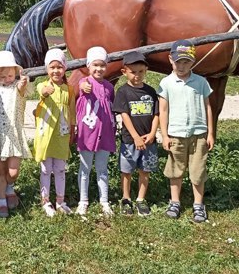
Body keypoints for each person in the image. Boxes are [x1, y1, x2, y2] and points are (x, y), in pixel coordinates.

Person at [158, 40, 215, 223]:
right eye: (178, 62)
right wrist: (165, 135)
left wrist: (211, 133)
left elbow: (208, 108)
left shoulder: (200, 82)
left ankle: (198, 205)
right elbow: (163, 111)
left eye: (186, 62)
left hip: (198, 134)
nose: (181, 66)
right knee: (175, 170)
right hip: (176, 134)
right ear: (170, 60)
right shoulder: (166, 83)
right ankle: (175, 202)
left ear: (193, 62)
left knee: (198, 171)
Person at [0, 50, 32, 218]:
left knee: (12, 172)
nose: (6, 79)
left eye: (10, 75)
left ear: (16, 72)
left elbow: (21, 89)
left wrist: (23, 83)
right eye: (2, 77)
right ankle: (2, 201)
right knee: (0, 170)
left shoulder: (18, 86)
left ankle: (10, 186)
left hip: (14, 134)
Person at [112, 51, 159, 217]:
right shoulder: (123, 92)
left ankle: (140, 199)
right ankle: (126, 198)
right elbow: (124, 116)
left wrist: (153, 133)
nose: (137, 75)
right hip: (129, 141)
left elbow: (156, 115)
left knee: (145, 170)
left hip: (149, 140)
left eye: (141, 71)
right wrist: (136, 137)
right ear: (124, 72)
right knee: (127, 171)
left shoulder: (151, 91)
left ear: (146, 70)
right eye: (133, 72)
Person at [33, 48, 76, 217]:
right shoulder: (43, 85)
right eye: (52, 67)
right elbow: (41, 93)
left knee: (60, 169)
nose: (56, 70)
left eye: (59, 67)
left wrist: (73, 128)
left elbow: (72, 112)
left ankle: (60, 200)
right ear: (47, 70)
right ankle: (45, 201)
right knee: (45, 169)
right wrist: (46, 92)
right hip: (46, 135)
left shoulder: (69, 89)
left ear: (64, 68)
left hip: (62, 136)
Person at [75, 46, 116, 216]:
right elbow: (80, 86)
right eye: (95, 65)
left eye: (102, 65)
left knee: (102, 169)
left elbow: (111, 104)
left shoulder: (108, 87)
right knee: (84, 168)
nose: (99, 69)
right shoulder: (84, 83)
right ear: (88, 66)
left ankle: (104, 201)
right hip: (88, 134)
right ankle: (83, 200)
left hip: (105, 134)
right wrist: (84, 85)